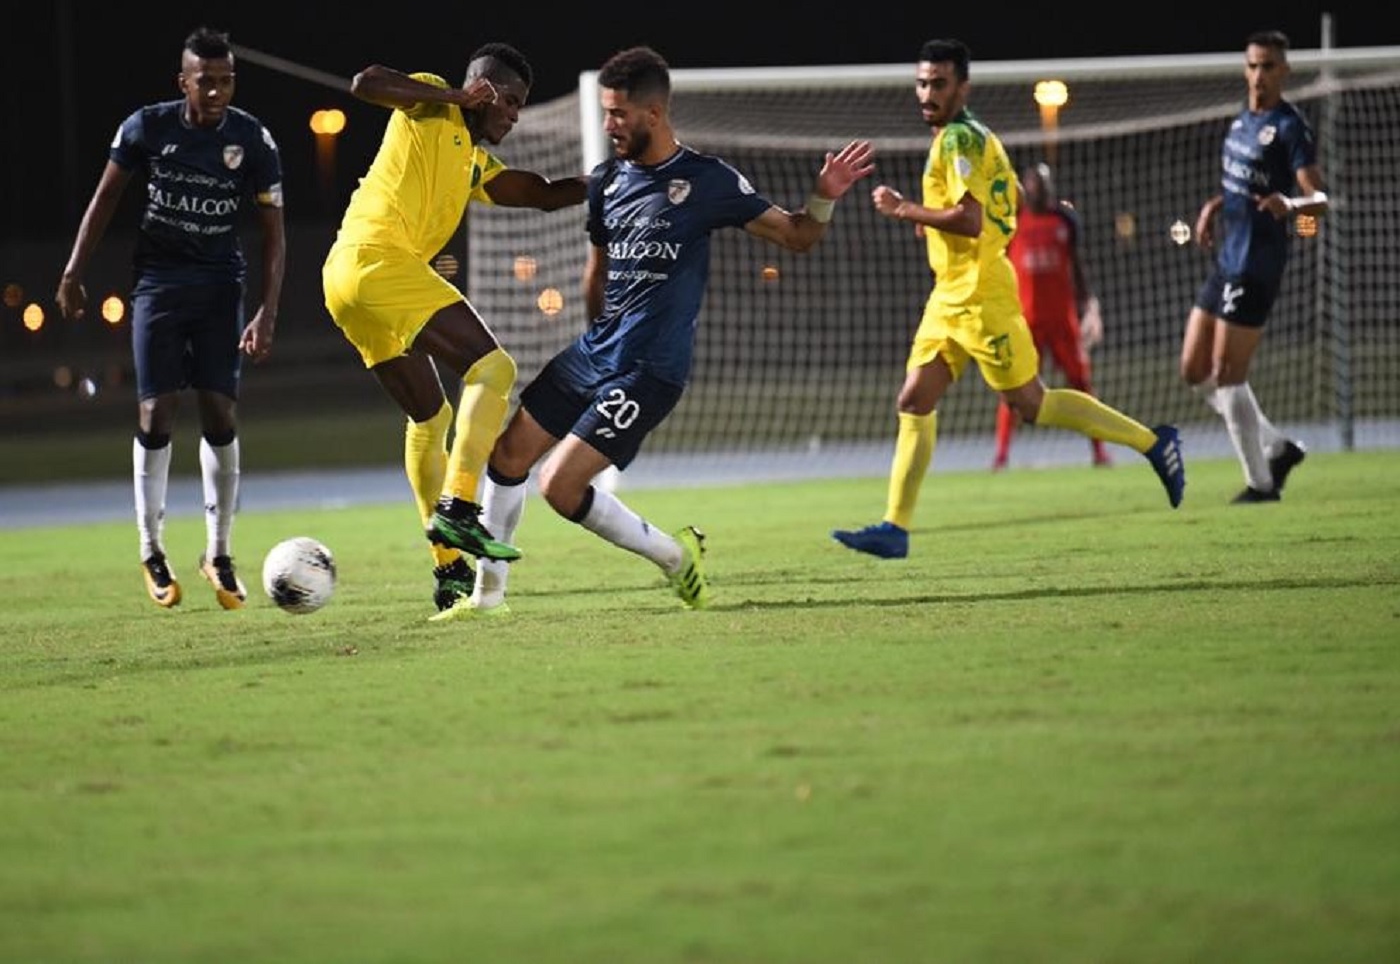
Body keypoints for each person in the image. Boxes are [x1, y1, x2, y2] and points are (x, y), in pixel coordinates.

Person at [435, 43, 875, 619]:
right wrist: (595, 343)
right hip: (598, 351)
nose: (608, 125)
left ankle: (674, 557)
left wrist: (822, 197)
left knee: (559, 487)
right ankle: (487, 598)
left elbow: (797, 236)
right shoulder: (608, 181)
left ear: (654, 114)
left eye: (618, 114)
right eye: (605, 112)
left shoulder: (706, 179)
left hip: (651, 370)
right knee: (509, 452)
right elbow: (598, 269)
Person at [831, 38, 1186, 560]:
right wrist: (938, 226)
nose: (927, 93)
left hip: (981, 294)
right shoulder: (975, 136)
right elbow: (1008, 199)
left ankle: (1153, 444)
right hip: (949, 295)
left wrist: (907, 210)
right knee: (914, 399)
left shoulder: (957, 139)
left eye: (939, 83)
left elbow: (972, 219)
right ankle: (895, 527)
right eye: (922, 82)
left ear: (963, 87)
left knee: (1031, 403)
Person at [322, 42, 587, 617]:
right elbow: (366, 81)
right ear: (482, 90)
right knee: (494, 367)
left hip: (345, 281)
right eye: (510, 103)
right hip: (376, 260)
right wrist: (452, 94)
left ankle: (448, 571)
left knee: (430, 416)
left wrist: (602, 184)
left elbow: (538, 195)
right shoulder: (430, 103)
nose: (514, 116)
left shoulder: (472, 161)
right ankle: (461, 506)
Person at [55, 26, 286, 610]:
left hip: (218, 287)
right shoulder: (147, 128)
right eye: (204, 81)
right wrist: (73, 269)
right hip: (158, 284)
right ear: (182, 81)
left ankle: (219, 552)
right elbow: (105, 196)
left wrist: (267, 309)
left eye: (225, 80)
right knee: (158, 411)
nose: (216, 91)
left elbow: (273, 233)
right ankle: (151, 549)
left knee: (220, 409)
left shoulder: (252, 140)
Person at [1178, 29, 1327, 502]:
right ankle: (1276, 446)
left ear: (1284, 71)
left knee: (1227, 372)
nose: (1258, 74)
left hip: (1257, 265)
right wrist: (1213, 207)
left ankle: (1261, 484)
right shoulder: (1242, 120)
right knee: (1192, 368)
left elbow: (1318, 202)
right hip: (1227, 258)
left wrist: (1294, 208)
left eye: (1268, 66)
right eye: (1252, 65)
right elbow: (1243, 184)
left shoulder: (1290, 127)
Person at [992, 161, 1110, 469]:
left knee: (1081, 385)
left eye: (1041, 184)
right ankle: (1001, 455)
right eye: (1031, 185)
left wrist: (1090, 305)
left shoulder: (1065, 220)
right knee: (1014, 387)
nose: (1037, 191)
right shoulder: (1013, 222)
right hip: (1025, 322)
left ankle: (1099, 450)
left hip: (1062, 320)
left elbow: (1077, 266)